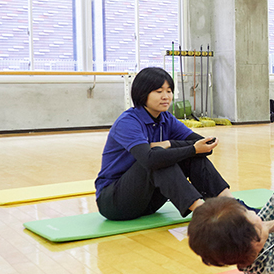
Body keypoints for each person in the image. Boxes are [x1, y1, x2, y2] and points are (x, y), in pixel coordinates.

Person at [95, 67, 231, 220]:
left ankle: (231, 206)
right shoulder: (128, 122)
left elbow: (205, 146)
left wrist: (169, 144)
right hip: (114, 202)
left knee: (186, 156)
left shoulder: (166, 118)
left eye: (169, 91)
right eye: (159, 92)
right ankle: (204, 213)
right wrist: (191, 148)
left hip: (149, 202)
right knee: (158, 158)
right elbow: (149, 159)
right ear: (142, 93)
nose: (166, 96)